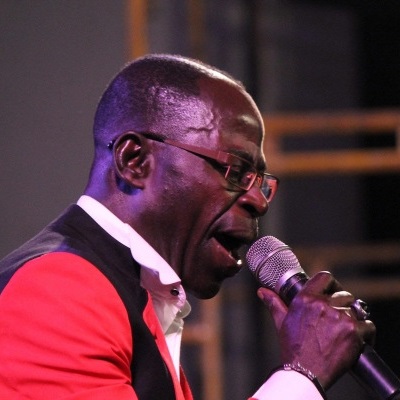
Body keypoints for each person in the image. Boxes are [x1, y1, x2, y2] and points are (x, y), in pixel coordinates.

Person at [0, 54, 375, 400]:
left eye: (260, 182)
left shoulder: (139, 298)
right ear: (135, 160)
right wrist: (303, 373)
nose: (259, 201)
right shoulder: (56, 291)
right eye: (235, 171)